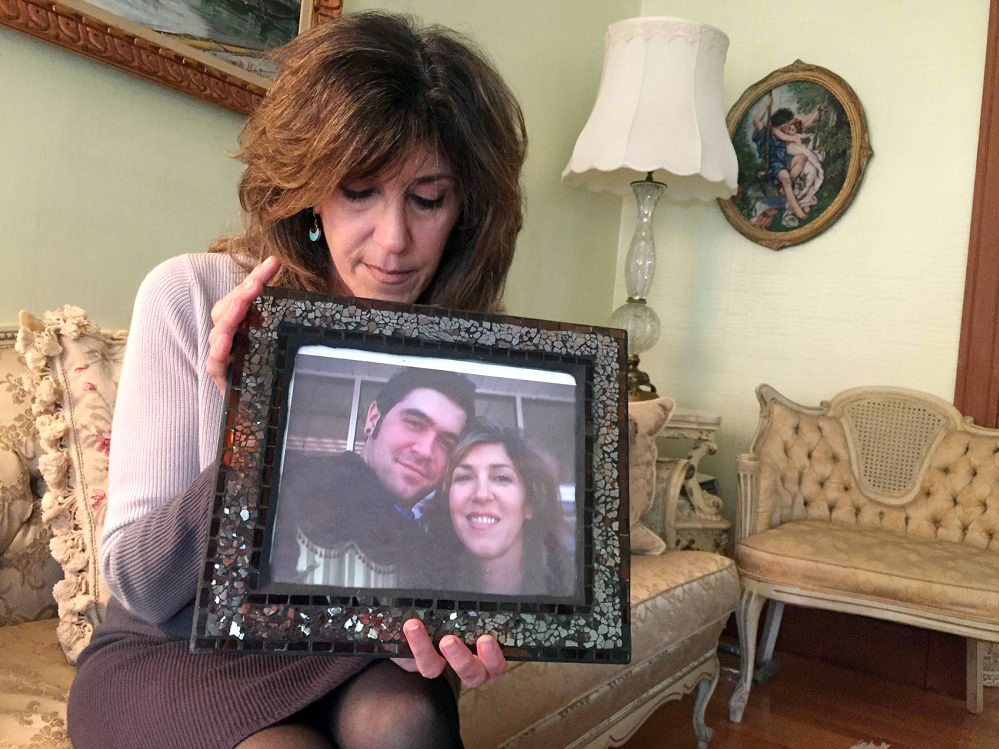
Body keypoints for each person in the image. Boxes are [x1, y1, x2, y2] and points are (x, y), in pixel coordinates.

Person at [67, 11, 527, 749]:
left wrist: (492, 625)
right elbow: (142, 583)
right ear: (310, 189)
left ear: (464, 209)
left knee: (404, 721)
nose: (393, 240)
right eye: (358, 191)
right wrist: (261, 420)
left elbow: (469, 568)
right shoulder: (191, 294)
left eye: (427, 198)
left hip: (349, 644)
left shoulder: (461, 342)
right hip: (173, 648)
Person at [269, 368, 476, 589]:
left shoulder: (430, 547)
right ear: (373, 419)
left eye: (446, 443)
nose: (426, 451)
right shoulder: (286, 485)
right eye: (415, 423)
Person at [424, 420, 574, 598]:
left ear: (529, 504)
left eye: (501, 478)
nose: (481, 494)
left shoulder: (573, 588)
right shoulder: (423, 585)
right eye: (464, 477)